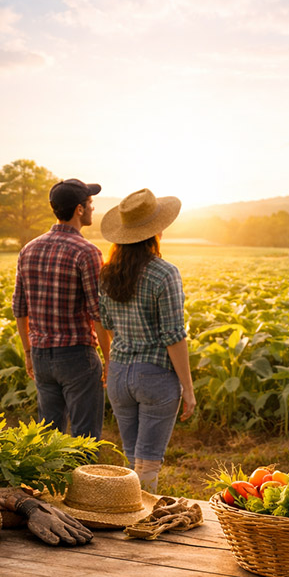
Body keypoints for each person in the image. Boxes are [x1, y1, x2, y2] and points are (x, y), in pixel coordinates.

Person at [98, 188, 196, 492]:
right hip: (154, 376)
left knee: (133, 461)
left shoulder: (107, 274)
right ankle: (142, 524)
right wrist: (188, 389)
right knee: (149, 463)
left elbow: (107, 324)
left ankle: (128, 517)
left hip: (119, 374)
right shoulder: (165, 273)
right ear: (156, 230)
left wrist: (120, 360)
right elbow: (173, 336)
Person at [12, 178, 111, 440]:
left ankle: (47, 481)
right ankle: (82, 481)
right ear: (79, 209)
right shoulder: (87, 251)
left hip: (41, 355)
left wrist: (28, 352)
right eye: (90, 203)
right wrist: (110, 359)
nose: (92, 208)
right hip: (77, 356)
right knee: (84, 438)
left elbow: (19, 308)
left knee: (48, 437)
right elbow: (97, 313)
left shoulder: (28, 249)